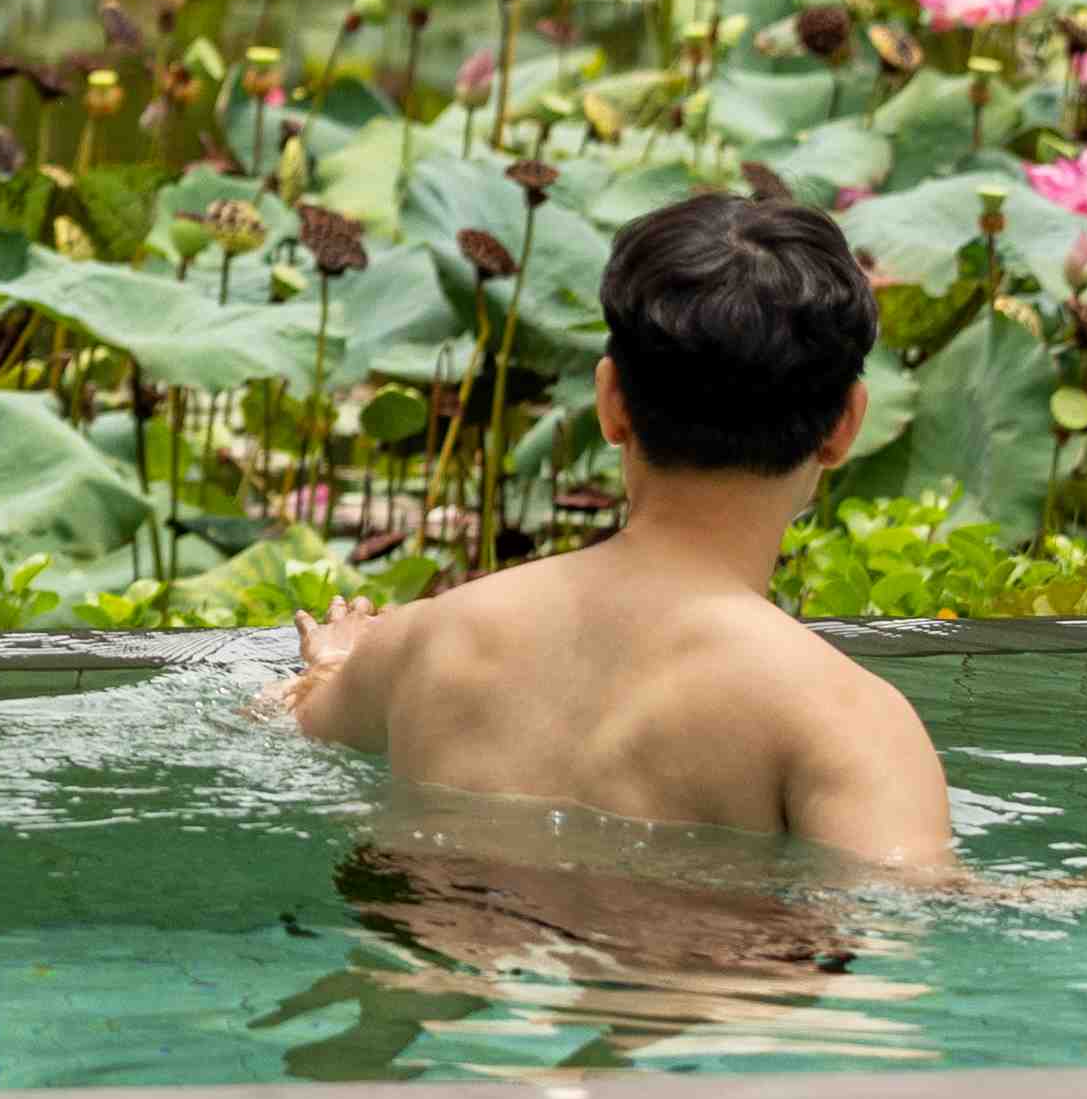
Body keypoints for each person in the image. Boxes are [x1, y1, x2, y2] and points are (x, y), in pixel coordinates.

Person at [282, 182, 961, 874]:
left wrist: (336, 663)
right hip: (699, 977)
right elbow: (911, 911)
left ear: (610, 404)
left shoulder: (419, 645)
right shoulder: (845, 720)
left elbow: (288, 722)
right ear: (844, 427)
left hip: (447, 953)